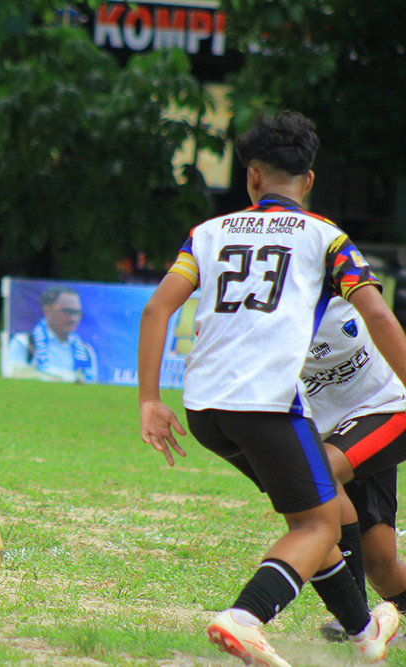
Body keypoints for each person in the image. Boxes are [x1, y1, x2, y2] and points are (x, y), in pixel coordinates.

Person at [137, 110, 406, 665]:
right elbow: (379, 316)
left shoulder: (207, 233)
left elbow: (157, 308)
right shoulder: (326, 237)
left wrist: (148, 400)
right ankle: (245, 617)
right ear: (308, 181)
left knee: (333, 527)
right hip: (273, 405)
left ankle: (362, 631)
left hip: (207, 409)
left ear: (251, 177)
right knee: (318, 520)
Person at [299, 297, 406, 639]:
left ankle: (355, 618)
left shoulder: (335, 264)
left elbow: (379, 315)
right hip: (334, 434)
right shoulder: (257, 307)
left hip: (388, 408)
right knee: (381, 566)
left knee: (320, 474)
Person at [5, 285, 98, 382]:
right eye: (67, 312)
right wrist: (67, 378)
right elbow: (13, 374)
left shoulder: (86, 351)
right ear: (47, 311)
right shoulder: (24, 342)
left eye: (77, 313)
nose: (73, 319)